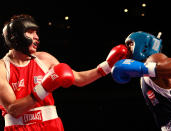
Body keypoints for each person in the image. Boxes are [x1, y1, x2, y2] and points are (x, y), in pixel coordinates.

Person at [0, 14, 128, 131]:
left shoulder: (44, 58)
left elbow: (78, 79)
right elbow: (13, 109)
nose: (36, 37)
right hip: (18, 128)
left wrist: (107, 66)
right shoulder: (2, 67)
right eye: (30, 32)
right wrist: (45, 87)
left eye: (36, 33)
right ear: (15, 37)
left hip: (51, 125)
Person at [111, 31, 171, 131]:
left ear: (144, 45)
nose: (127, 50)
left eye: (130, 44)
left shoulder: (153, 59)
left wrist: (146, 68)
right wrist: (108, 65)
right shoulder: (144, 73)